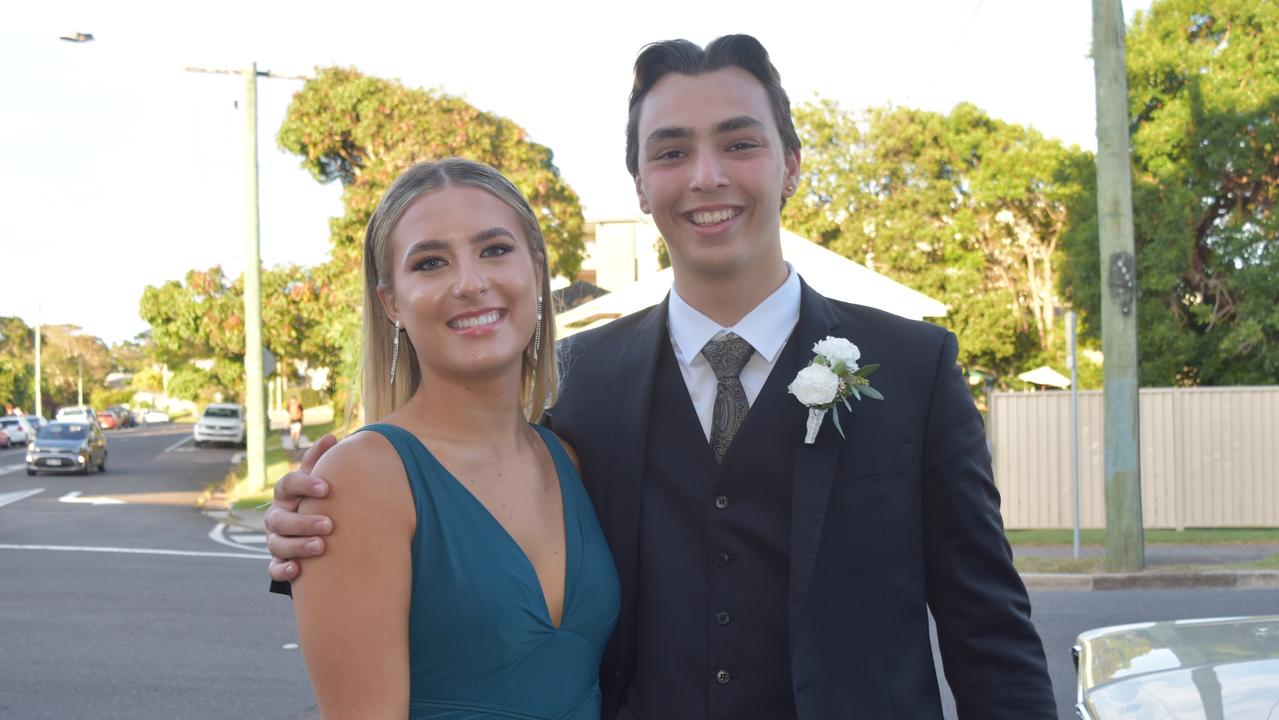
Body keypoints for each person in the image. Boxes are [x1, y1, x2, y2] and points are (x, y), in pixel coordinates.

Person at [268, 35, 1055, 719]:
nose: (705, 176)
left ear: (790, 165)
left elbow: (987, 630)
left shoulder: (915, 369)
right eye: (671, 151)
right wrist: (313, 525)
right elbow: (457, 525)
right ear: (641, 185)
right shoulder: (580, 386)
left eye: (738, 144)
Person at [282, 158, 619, 719]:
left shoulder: (566, 459)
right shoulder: (364, 476)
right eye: (431, 262)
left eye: (494, 250)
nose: (470, 283)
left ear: (536, 272)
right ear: (392, 303)